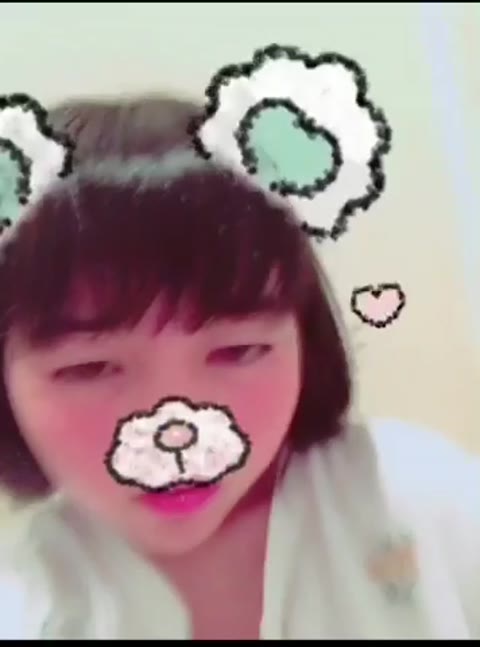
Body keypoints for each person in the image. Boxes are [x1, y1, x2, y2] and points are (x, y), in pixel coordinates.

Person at [0, 94, 478, 640]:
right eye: (90, 368)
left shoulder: (420, 497)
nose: (175, 430)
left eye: (238, 351)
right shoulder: (24, 606)